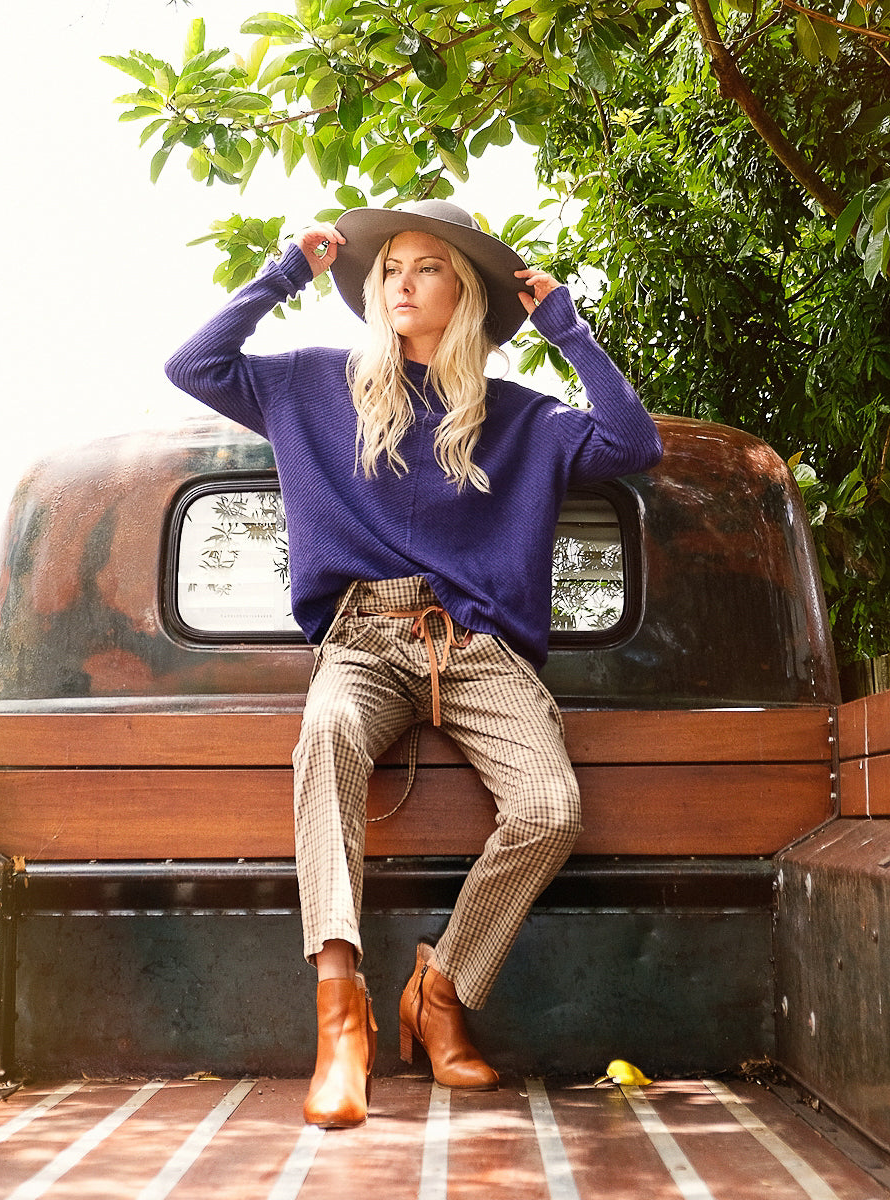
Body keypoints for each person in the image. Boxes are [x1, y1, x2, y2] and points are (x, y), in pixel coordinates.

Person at [166, 199, 662, 1128]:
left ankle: (439, 994)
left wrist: (564, 324)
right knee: (327, 734)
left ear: (463, 291)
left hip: (478, 649)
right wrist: (284, 274)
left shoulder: (520, 421)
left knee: (551, 808)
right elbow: (192, 365)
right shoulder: (316, 386)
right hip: (362, 638)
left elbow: (635, 442)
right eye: (388, 265)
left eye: (426, 265)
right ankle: (341, 1017)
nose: (398, 278)